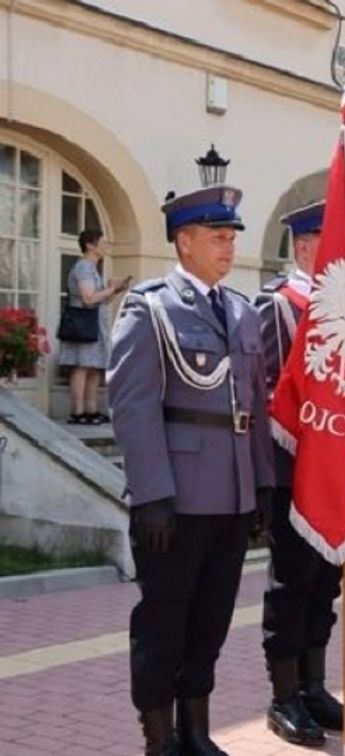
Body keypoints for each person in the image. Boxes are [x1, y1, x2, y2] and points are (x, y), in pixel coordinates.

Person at [108, 185, 275, 756]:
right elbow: (133, 407)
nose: (229, 247)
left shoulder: (242, 312)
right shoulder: (149, 308)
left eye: (232, 238)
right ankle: (159, 739)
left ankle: (197, 732)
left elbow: (254, 407)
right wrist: (151, 493)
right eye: (218, 237)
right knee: (163, 623)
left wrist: (262, 485)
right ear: (184, 241)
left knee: (211, 622)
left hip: (229, 498)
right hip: (175, 502)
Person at [256, 202, 345, 747]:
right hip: (294, 471)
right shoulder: (281, 307)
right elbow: (271, 395)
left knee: (326, 583)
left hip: (335, 470)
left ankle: (314, 685)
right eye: (332, 243)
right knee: (292, 583)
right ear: (305, 248)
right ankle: (283, 697)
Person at [58, 228, 129, 424]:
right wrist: (111, 289)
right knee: (82, 367)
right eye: (103, 242)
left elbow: (99, 301)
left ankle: (91, 410)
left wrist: (115, 291)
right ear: (90, 245)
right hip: (83, 323)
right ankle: (78, 412)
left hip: (93, 323)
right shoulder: (83, 268)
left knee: (94, 367)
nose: (106, 246)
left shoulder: (92, 269)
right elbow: (88, 298)